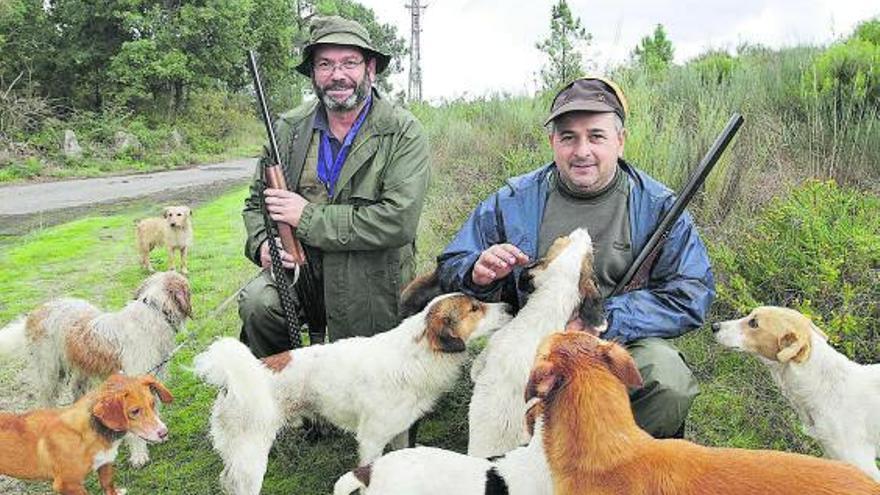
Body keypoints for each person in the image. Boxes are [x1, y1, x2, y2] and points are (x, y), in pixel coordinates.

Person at [436, 77, 714, 438]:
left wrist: (604, 320)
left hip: (617, 340)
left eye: (596, 136)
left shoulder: (660, 207)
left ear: (620, 140)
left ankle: (611, 465)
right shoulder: (513, 200)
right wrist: (476, 271)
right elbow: (451, 263)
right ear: (553, 141)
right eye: (568, 137)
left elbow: (691, 293)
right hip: (532, 342)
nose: (582, 150)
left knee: (668, 380)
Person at [238, 15, 430, 358]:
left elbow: (398, 220)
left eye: (349, 63)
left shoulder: (403, 132)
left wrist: (307, 218)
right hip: (303, 269)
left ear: (370, 68)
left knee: (364, 381)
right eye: (325, 64)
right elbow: (256, 204)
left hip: (372, 277)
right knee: (258, 304)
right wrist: (263, 244)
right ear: (312, 73)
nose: (337, 75)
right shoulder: (287, 130)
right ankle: (280, 394)